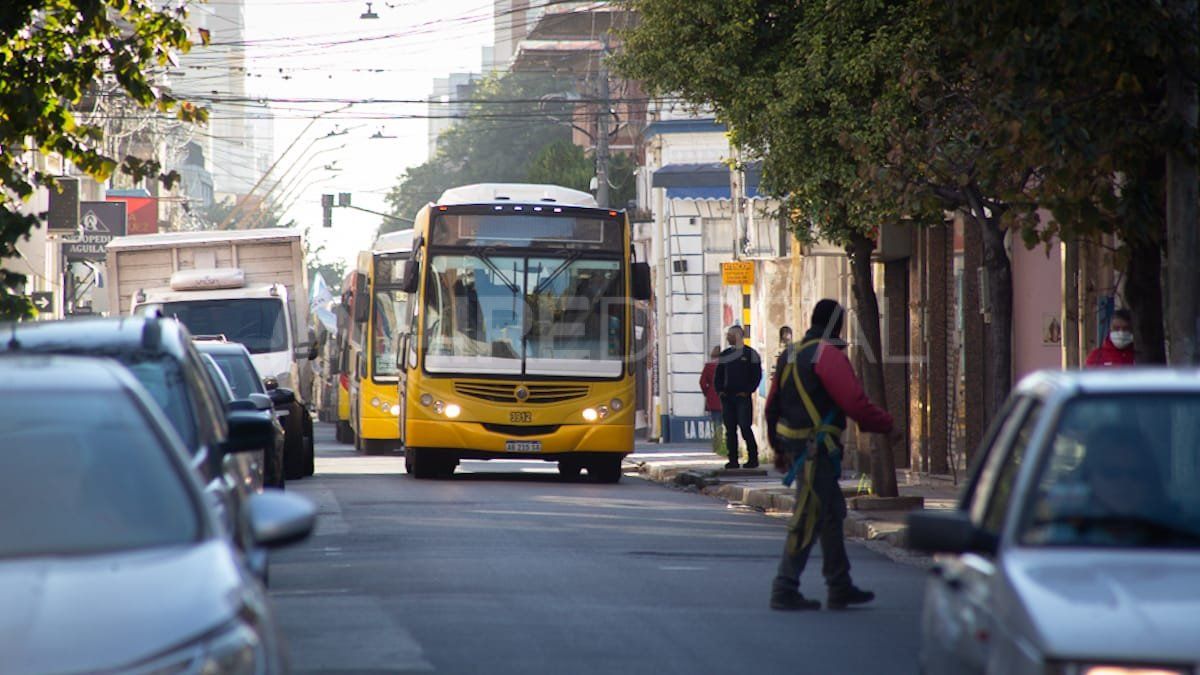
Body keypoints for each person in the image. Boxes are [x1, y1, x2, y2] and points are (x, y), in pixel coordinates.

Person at [765, 299, 898, 611]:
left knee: (830, 513)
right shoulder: (828, 356)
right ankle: (785, 587)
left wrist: (777, 448)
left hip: (798, 448)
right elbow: (854, 403)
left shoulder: (790, 354)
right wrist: (887, 425)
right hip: (817, 452)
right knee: (808, 516)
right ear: (837, 326)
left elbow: (772, 406)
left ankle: (839, 585)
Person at [714, 325, 762, 469]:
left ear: (737, 336)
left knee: (745, 427)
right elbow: (719, 375)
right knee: (730, 429)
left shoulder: (750, 354)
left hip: (742, 397)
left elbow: (756, 376)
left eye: (730, 335)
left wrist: (748, 391)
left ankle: (753, 458)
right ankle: (733, 459)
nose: (727, 337)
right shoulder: (725, 354)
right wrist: (720, 391)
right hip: (727, 398)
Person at [699, 346, 723, 451]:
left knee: (716, 422)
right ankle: (726, 444)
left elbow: (702, 383)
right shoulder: (725, 365)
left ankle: (717, 444)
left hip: (713, 398)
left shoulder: (709, 366)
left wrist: (707, 393)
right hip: (726, 397)